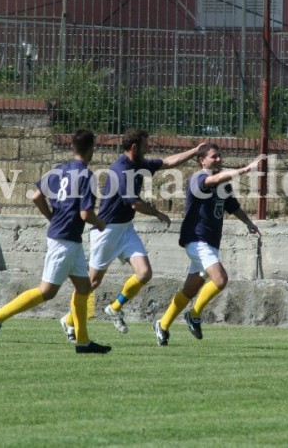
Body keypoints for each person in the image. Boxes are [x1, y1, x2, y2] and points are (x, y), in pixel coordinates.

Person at [59, 127, 203, 341]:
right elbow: (134, 203)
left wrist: (195, 151)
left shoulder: (139, 163)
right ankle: (69, 321)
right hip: (106, 230)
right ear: (135, 147)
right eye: (146, 144)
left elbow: (168, 163)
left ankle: (115, 308)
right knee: (91, 282)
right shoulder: (121, 169)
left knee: (144, 273)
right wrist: (157, 212)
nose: (149, 147)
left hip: (125, 229)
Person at [0, 129, 111, 354]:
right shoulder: (87, 176)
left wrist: (51, 217)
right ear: (92, 148)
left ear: (72, 147)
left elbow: (35, 196)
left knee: (83, 288)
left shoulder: (58, 170)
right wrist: (100, 224)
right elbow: (85, 214)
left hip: (68, 238)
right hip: (64, 240)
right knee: (46, 292)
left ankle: (83, 342)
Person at [153, 144, 261, 346]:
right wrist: (245, 170)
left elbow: (233, 206)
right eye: (214, 157)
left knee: (189, 290)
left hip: (211, 242)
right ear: (202, 160)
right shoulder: (198, 178)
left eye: (220, 156)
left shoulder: (223, 185)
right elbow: (212, 180)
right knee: (220, 279)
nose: (219, 159)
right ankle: (194, 315)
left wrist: (248, 223)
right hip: (196, 239)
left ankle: (163, 324)